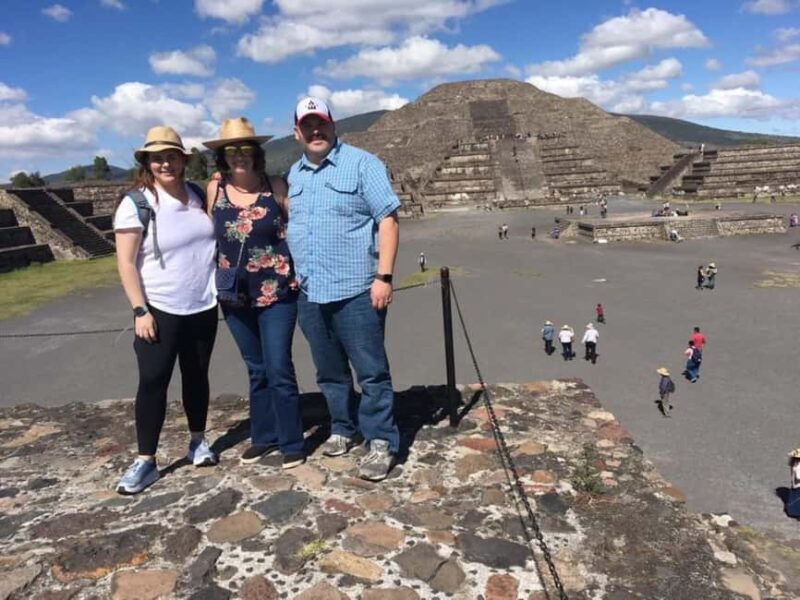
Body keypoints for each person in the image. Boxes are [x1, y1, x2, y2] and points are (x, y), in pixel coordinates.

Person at [287, 97, 400, 482]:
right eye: (308, 125)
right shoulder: (294, 174)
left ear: (334, 126)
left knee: (371, 370)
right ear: (297, 132)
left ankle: (381, 438)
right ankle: (342, 426)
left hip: (357, 289)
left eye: (322, 123)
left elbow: (388, 220)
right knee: (329, 370)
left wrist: (384, 277)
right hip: (311, 290)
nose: (316, 131)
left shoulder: (363, 164)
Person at [113, 126, 218, 495]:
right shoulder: (137, 204)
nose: (165, 163)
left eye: (171, 156)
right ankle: (146, 459)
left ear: (183, 159)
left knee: (197, 376)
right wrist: (140, 310)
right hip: (159, 307)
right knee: (154, 380)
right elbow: (126, 263)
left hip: (202, 304)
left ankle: (197, 441)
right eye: (157, 158)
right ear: (147, 163)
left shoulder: (196, 195)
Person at [203, 117, 305, 470]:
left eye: (245, 148)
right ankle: (264, 436)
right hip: (234, 294)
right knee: (256, 368)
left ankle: (292, 440)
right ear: (222, 156)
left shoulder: (275, 186)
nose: (239, 155)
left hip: (277, 290)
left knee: (278, 366)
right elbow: (206, 239)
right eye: (231, 150)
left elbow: (298, 229)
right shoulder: (214, 190)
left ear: (256, 153)